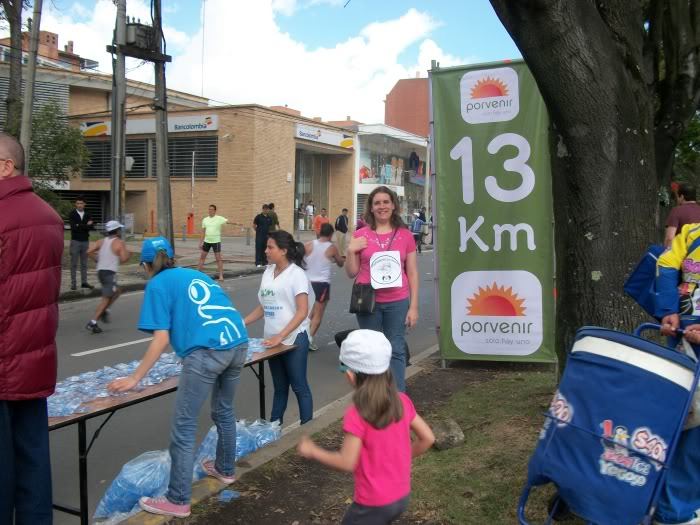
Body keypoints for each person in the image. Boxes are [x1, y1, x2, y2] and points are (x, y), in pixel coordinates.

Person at [108, 237, 248, 519]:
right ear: (170, 257)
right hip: (238, 343)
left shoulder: (157, 284)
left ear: (145, 265)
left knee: (184, 426)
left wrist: (135, 378)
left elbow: (160, 338)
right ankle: (225, 470)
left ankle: (178, 499)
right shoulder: (194, 274)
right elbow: (201, 314)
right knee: (224, 411)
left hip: (207, 351)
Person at [297, 329, 434, 525]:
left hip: (372, 504)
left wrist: (313, 451)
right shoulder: (401, 400)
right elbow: (428, 438)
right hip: (401, 497)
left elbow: (346, 462)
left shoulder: (358, 413)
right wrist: (401, 456)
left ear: (351, 375)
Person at [0, 132, 63, 525]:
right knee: (33, 461)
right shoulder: (48, 215)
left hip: (3, 363)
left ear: (5, 167)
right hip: (34, 360)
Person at [345, 186, 419, 392]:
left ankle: (398, 398)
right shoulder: (360, 235)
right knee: (372, 351)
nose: (382, 206)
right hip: (368, 301)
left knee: (395, 348)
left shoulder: (405, 235)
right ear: (371, 207)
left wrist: (413, 307)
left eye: (386, 202)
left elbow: (412, 272)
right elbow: (351, 272)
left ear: (393, 205)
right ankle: (376, 399)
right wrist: (351, 250)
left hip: (397, 300)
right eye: (377, 203)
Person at [244, 230, 314, 424]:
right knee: (280, 387)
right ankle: (274, 431)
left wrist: (281, 335)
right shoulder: (268, 272)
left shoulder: (296, 274)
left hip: (294, 338)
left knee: (299, 386)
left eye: (270, 247)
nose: (265, 250)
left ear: (283, 250)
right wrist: (242, 322)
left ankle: (306, 429)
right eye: (266, 247)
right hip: (272, 339)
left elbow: (302, 311)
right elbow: (264, 306)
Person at [85, 220, 131, 334]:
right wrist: (129, 254)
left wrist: (97, 259)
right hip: (110, 273)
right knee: (106, 298)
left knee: (117, 291)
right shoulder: (119, 242)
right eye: (119, 229)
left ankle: (105, 310)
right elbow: (124, 259)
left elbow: (89, 251)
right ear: (117, 231)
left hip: (100, 272)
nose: (120, 231)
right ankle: (93, 322)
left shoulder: (101, 241)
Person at [305, 223, 344, 351]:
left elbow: (299, 259)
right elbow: (340, 263)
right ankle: (308, 340)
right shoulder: (331, 247)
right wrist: (337, 258)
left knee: (307, 313)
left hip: (307, 282)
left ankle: (301, 336)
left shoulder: (309, 244)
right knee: (318, 314)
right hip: (322, 284)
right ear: (331, 234)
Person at [198, 204, 235, 282]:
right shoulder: (205, 220)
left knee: (218, 259)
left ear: (215, 211)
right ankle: (198, 275)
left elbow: (228, 222)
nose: (210, 211)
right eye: (209, 209)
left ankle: (221, 276)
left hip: (216, 241)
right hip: (207, 241)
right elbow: (203, 232)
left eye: (211, 209)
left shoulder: (219, 218)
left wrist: (237, 223)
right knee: (202, 257)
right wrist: (200, 242)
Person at [68, 196, 94, 290]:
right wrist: (85, 225)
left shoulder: (88, 214)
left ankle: (84, 282)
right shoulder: (72, 214)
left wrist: (80, 225)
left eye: (81, 203)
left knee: (84, 263)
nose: (79, 205)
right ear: (76, 204)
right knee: (74, 263)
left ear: (84, 204)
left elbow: (91, 227)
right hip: (75, 241)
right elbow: (73, 227)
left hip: (85, 241)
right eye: (78, 203)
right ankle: (73, 284)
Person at [665, 182, 700, 247]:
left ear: (682, 196)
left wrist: (666, 254)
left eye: (678, 196)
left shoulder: (676, 211)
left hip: (683, 253)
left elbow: (669, 238)